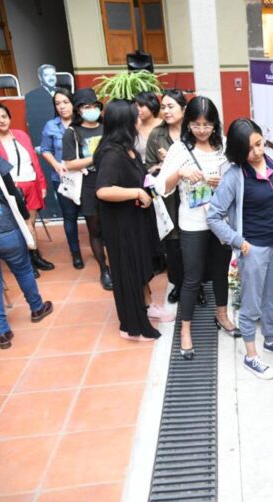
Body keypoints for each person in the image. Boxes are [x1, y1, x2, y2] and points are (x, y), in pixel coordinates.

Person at [207, 119, 273, 379]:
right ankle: (251, 356)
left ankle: (270, 340)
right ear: (239, 152)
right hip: (254, 248)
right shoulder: (234, 176)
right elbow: (213, 216)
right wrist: (239, 242)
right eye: (250, 149)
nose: (258, 151)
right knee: (251, 304)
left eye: (260, 143)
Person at [155, 96, 239, 359]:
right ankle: (186, 330)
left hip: (221, 221)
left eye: (207, 125)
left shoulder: (223, 146)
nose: (202, 130)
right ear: (187, 124)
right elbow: (160, 187)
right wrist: (179, 174)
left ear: (215, 124)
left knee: (221, 271)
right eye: (196, 125)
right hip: (192, 223)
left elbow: (236, 179)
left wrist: (221, 183)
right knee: (192, 278)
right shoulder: (180, 149)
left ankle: (222, 314)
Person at [0, 117, 53, 349]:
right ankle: (36, 308)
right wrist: (25, 218)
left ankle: (3, 333)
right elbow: (13, 194)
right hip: (4, 230)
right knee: (23, 269)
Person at [94, 100, 162, 341]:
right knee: (128, 273)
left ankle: (146, 307)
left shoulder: (126, 147)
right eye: (135, 116)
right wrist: (136, 192)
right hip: (121, 224)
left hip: (135, 220)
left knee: (139, 268)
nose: (139, 119)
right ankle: (132, 327)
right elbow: (103, 190)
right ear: (124, 122)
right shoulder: (112, 153)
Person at [0, 102, 55, 275]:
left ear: (9, 117)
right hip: (12, 188)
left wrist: (41, 183)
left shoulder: (21, 134)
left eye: (4, 116)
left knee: (32, 222)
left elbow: (34, 161)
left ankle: (35, 255)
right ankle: (27, 262)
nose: (1, 121)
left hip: (31, 183)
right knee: (21, 225)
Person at [62, 88, 112, 290]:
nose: (91, 110)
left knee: (113, 225)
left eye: (94, 106)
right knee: (95, 228)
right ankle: (104, 269)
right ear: (78, 110)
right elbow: (70, 164)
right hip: (88, 182)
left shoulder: (107, 127)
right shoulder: (72, 132)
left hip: (110, 178)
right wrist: (96, 157)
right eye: (85, 107)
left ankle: (118, 263)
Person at [145, 89, 191, 305]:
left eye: (171, 106)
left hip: (193, 197)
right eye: (163, 107)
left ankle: (196, 286)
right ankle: (178, 285)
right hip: (169, 199)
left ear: (183, 109)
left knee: (193, 245)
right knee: (173, 246)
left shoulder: (193, 132)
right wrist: (163, 165)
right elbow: (149, 169)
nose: (166, 111)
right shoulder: (157, 135)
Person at [40, 87, 83, 269]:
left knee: (91, 215)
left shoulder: (82, 122)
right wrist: (56, 165)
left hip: (85, 176)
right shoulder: (51, 125)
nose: (62, 107)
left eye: (65, 102)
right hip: (63, 178)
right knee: (69, 216)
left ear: (73, 104)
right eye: (58, 103)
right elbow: (45, 150)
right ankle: (75, 253)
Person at [25, 64, 58, 148]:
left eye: (53, 75)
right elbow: (33, 123)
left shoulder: (65, 92)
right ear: (40, 77)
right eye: (46, 75)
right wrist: (37, 144)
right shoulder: (32, 96)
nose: (51, 78)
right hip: (45, 140)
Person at [134, 91, 162, 164]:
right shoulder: (134, 127)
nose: (137, 109)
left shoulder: (163, 125)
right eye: (136, 106)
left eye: (141, 106)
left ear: (152, 107)